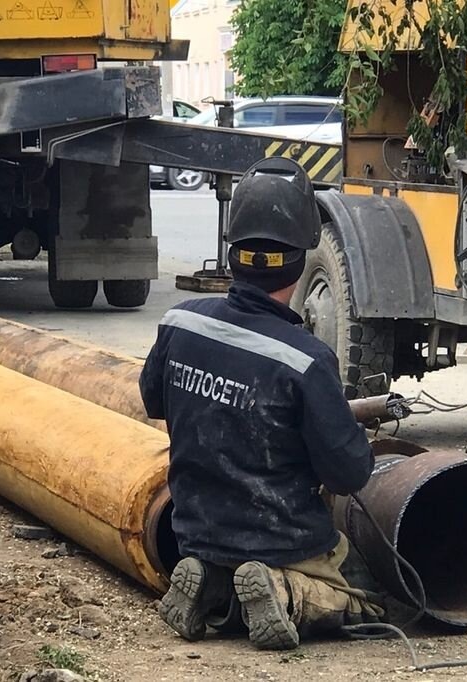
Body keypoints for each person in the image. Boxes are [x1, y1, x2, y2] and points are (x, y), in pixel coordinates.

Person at [139, 158, 384, 651]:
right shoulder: (306, 360)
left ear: (232, 251)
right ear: (300, 257)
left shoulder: (180, 323)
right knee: (368, 596)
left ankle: (210, 582)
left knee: (232, 576)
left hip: (196, 529)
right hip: (284, 539)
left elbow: (152, 398)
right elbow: (349, 475)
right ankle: (286, 589)